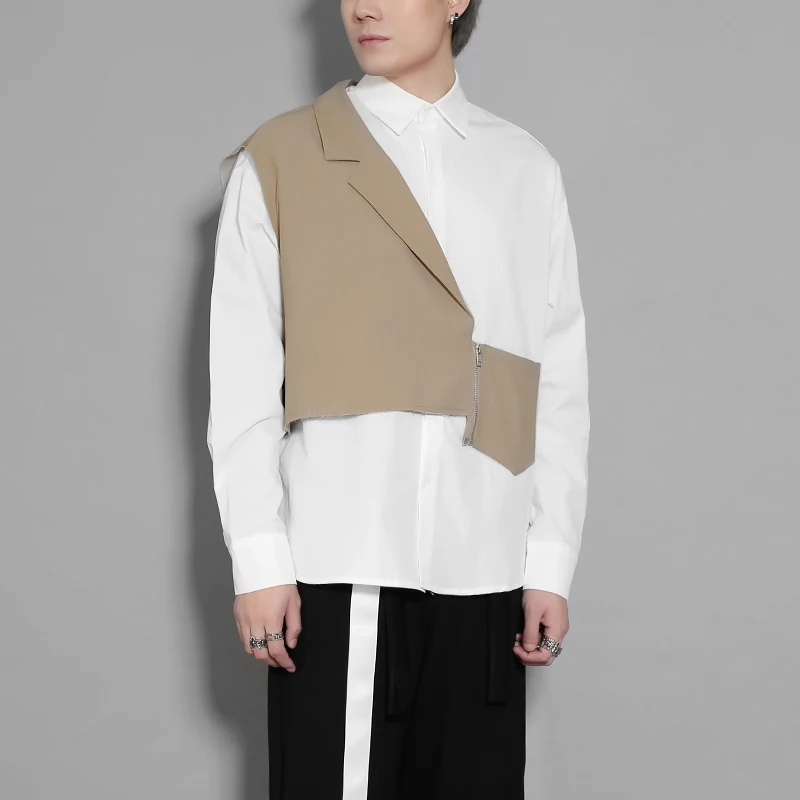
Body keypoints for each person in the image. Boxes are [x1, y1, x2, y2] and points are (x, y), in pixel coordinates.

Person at [206, 0, 589, 797]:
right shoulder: (280, 158)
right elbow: (242, 379)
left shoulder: (525, 168)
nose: (363, 7)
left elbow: (555, 376)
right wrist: (260, 560)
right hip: (339, 570)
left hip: (485, 574)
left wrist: (549, 560)